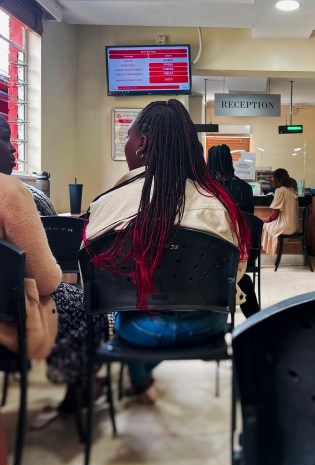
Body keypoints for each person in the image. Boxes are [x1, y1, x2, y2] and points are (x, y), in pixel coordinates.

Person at [84, 100, 251, 402]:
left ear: (142, 145)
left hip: (140, 331)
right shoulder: (217, 204)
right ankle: (140, 381)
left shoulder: (106, 204)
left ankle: (138, 381)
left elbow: (94, 275)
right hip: (207, 325)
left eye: (128, 138)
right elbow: (237, 270)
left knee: (127, 310)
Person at [0, 105, 106, 425]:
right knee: (84, 302)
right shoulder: (7, 189)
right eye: (4, 138)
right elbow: (47, 281)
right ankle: (78, 386)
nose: (13, 148)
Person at [207, 144, 259, 317]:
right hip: (241, 253)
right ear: (230, 162)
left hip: (208, 254)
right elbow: (249, 222)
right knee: (242, 279)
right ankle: (256, 323)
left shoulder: (204, 189)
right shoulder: (245, 188)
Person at [261, 168, 299, 256]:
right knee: (267, 225)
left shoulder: (280, 191)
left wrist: (268, 220)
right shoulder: (291, 190)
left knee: (264, 226)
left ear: (276, 179)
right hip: (295, 226)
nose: (272, 181)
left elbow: (275, 214)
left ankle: (267, 253)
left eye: (273, 179)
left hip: (286, 226)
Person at [207, 144, 254, 213]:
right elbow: (249, 217)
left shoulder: (205, 188)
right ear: (230, 161)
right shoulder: (245, 188)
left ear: (209, 164)